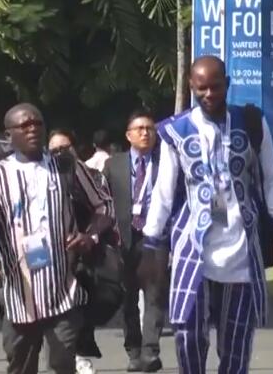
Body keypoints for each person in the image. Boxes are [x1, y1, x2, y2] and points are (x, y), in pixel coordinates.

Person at [140, 56, 273, 374]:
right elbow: (163, 194)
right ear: (191, 86)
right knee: (188, 337)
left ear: (227, 83)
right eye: (202, 88)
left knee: (237, 344)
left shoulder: (251, 122)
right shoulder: (176, 131)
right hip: (192, 251)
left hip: (240, 250)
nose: (209, 94)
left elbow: (271, 179)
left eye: (215, 86)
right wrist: (151, 246)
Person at [0, 103, 115, 374]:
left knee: (62, 362)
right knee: (21, 365)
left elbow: (104, 205)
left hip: (63, 289)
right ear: (8, 135)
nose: (32, 129)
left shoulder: (66, 166)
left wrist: (91, 236)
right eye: (24, 125)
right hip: (20, 295)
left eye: (37, 123)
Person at [103, 111, 166, 372]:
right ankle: (134, 351)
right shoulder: (113, 164)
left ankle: (151, 351)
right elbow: (103, 202)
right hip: (124, 239)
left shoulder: (166, 161)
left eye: (149, 128)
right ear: (128, 135)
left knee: (155, 296)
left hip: (156, 239)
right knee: (128, 299)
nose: (145, 133)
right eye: (139, 128)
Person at [48, 129, 102, 374]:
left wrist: (90, 235)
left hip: (82, 251)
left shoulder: (89, 175)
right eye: (54, 150)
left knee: (78, 307)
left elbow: (103, 208)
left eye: (65, 148)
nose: (60, 154)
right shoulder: (44, 174)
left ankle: (80, 354)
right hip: (49, 254)